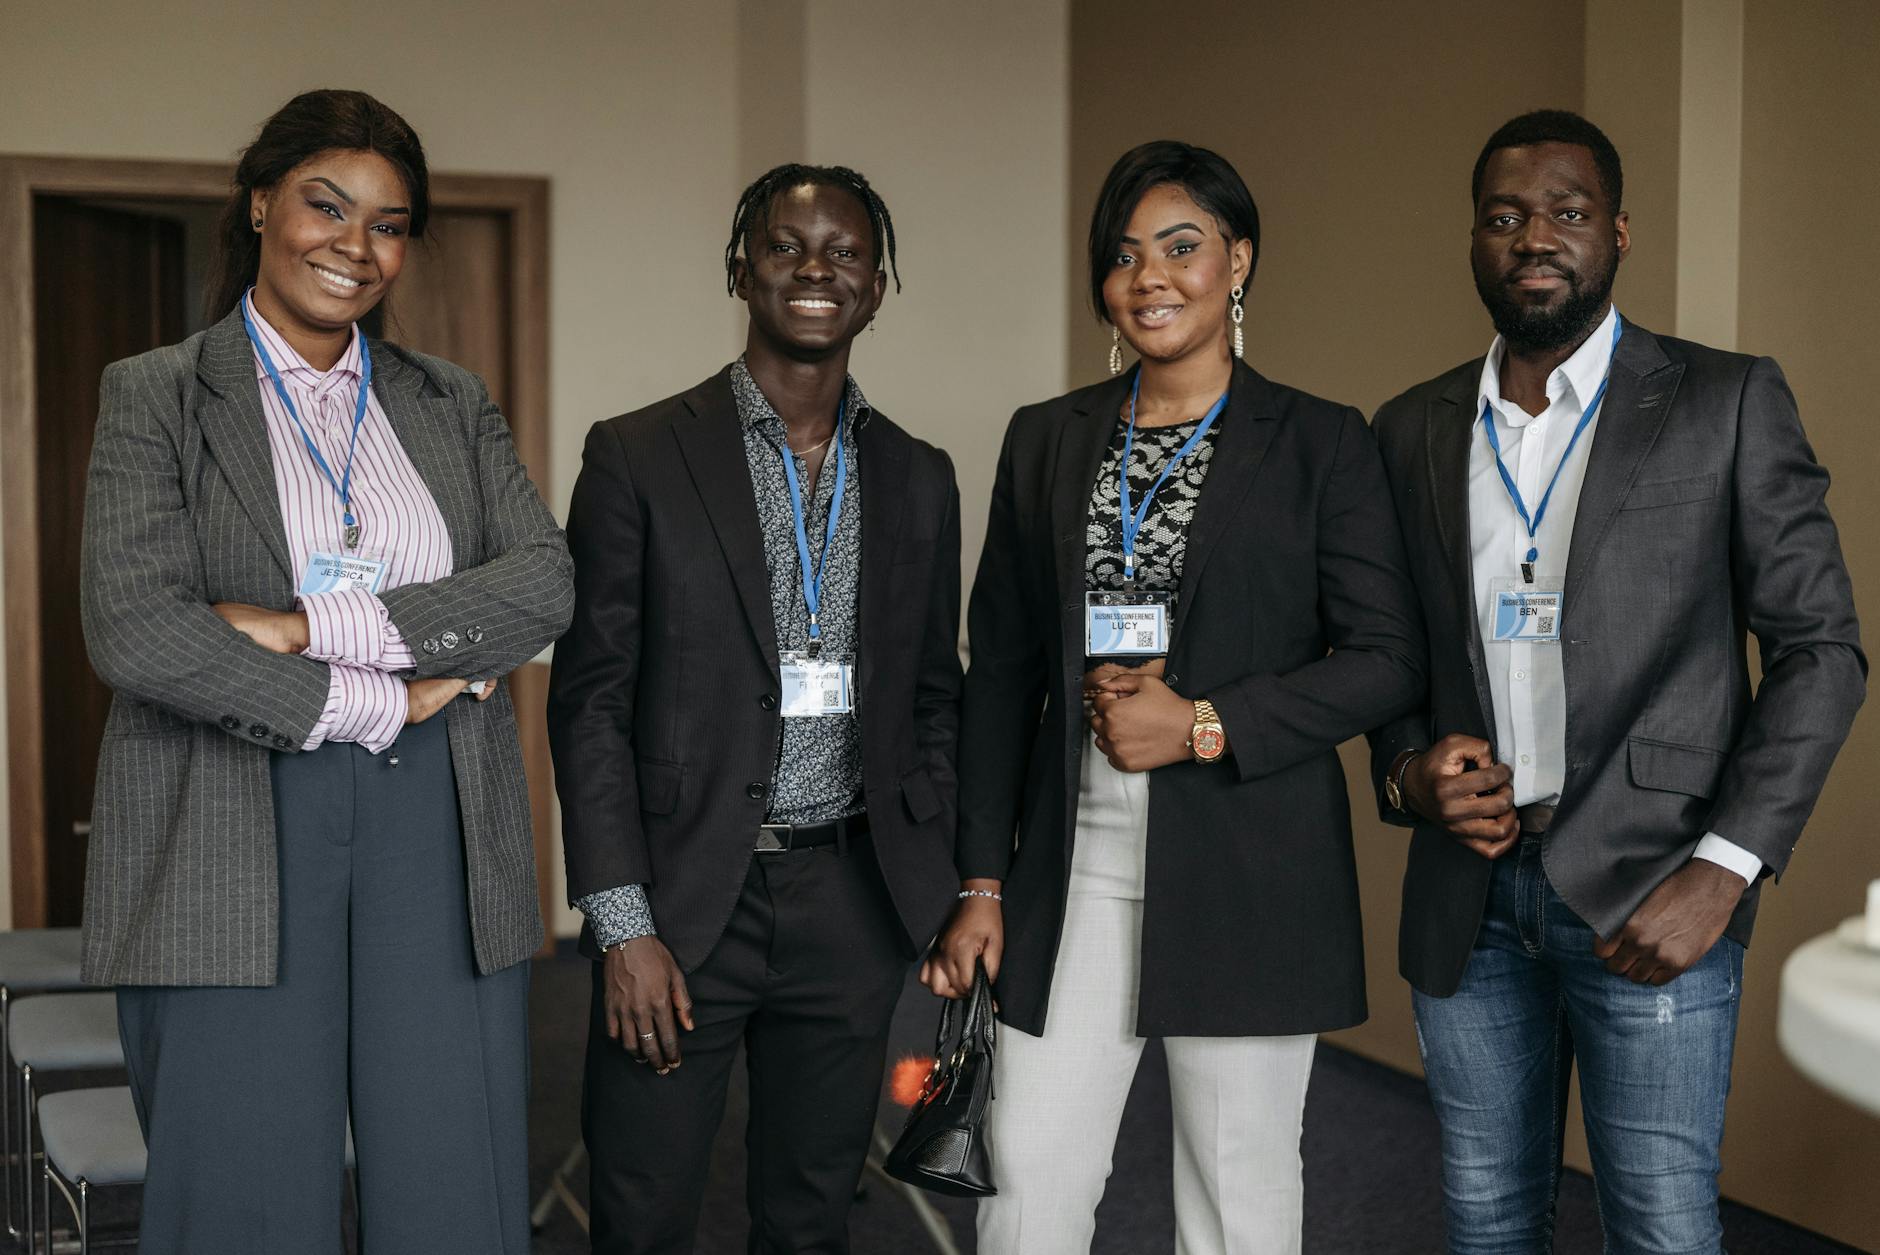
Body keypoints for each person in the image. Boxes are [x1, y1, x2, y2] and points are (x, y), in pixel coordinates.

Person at [77, 89, 572, 1254]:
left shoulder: (448, 403)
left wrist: (306, 625)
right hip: (228, 819)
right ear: (260, 204)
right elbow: (138, 629)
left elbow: (543, 582)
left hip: (440, 817)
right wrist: (376, 692)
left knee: (455, 1186)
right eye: (326, 206)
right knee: (244, 1198)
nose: (355, 246)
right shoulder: (155, 394)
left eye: (389, 223)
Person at [1368, 109, 1864, 1253]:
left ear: (1619, 233)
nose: (1532, 236)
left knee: (1658, 1225)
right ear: (1474, 242)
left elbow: (1819, 653)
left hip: (1657, 888)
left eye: (1565, 212)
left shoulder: (1724, 400)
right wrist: (1405, 767)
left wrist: (1723, 872)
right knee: (1486, 1217)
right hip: (1468, 896)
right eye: (1502, 217)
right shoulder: (1409, 426)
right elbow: (1385, 654)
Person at [926, 140, 1426, 1255]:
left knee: (1236, 1194)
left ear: (1237, 262)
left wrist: (1202, 723)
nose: (1148, 275)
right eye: (1122, 255)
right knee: (1023, 1189)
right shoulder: (1046, 439)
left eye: (1181, 246)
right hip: (1074, 856)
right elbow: (999, 671)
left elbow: (1386, 657)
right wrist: (980, 878)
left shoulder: (1319, 441)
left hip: (1250, 858)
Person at [548, 162, 963, 1255]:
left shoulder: (920, 477)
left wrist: (942, 880)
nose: (815, 269)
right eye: (786, 245)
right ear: (742, 268)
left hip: (850, 904)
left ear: (878, 287)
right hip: (683, 905)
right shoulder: (637, 453)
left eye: (845, 252)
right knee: (641, 1213)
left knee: (810, 1214)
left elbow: (932, 698)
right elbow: (588, 700)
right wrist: (621, 923)